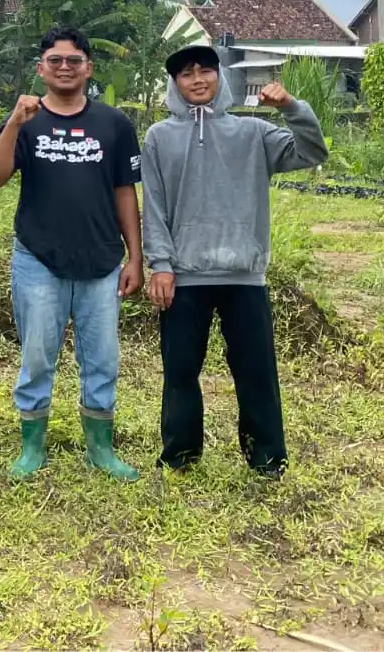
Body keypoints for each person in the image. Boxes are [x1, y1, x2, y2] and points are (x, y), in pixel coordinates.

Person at [141, 45, 328, 478]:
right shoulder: (159, 137)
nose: (198, 79)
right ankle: (180, 456)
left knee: (256, 370)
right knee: (181, 371)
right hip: (184, 276)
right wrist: (160, 264)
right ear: (175, 84)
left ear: (220, 77)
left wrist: (291, 107)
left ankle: (267, 458)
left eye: (206, 70)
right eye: (187, 73)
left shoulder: (254, 134)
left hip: (245, 275)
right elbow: (153, 206)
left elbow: (312, 153)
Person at [0, 25, 144, 483]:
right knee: (37, 357)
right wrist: (14, 121)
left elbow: (124, 192)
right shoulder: (26, 120)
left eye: (74, 60)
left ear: (88, 68)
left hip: (101, 260)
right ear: (41, 68)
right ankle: (32, 448)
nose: (65, 67)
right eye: (55, 61)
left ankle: (101, 449)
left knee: (103, 359)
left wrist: (135, 257)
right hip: (38, 259)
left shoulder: (113, 124)